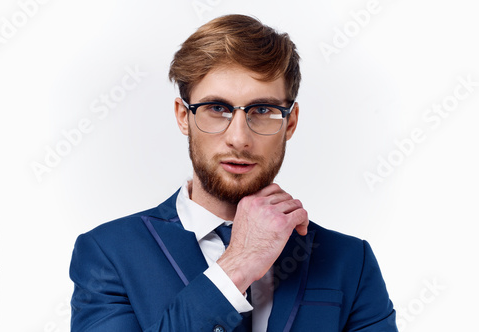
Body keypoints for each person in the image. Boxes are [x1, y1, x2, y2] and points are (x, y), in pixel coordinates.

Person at [69, 14, 397, 332]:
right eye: (217, 109)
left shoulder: (350, 261)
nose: (239, 138)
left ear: (291, 122)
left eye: (263, 110)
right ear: (183, 116)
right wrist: (236, 266)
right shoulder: (108, 252)